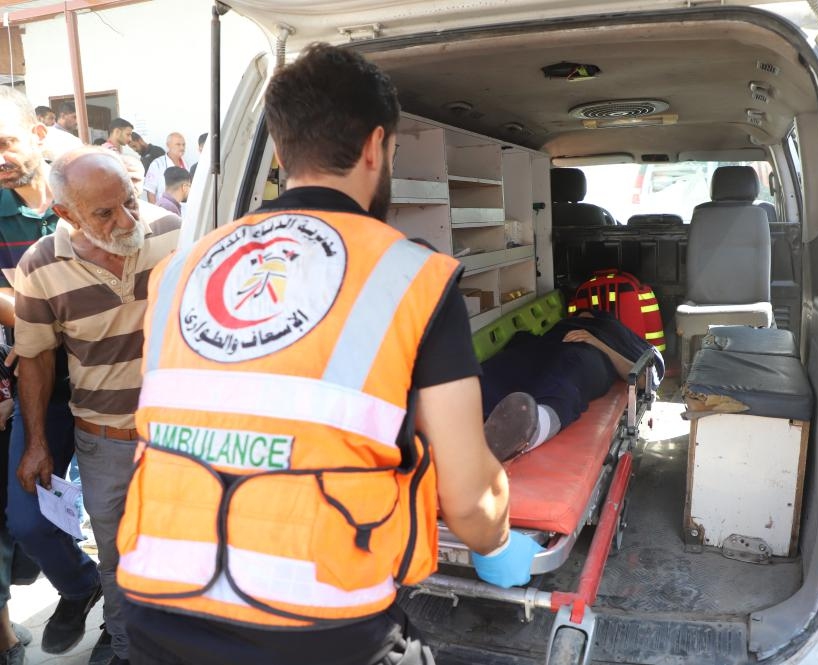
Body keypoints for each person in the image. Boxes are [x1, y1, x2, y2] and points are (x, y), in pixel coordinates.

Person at [117, 43, 538, 665]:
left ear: (281, 153)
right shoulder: (411, 275)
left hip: (157, 606)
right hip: (320, 622)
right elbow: (471, 504)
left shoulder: (181, 270)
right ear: (377, 147)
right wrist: (498, 543)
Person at [14, 146, 181, 665]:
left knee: (187, 550)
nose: (127, 219)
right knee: (118, 557)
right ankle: (130, 650)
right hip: (105, 441)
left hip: (182, 437)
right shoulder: (39, 267)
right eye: (105, 213)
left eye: (129, 201)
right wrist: (38, 442)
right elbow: (37, 358)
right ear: (65, 214)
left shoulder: (173, 232)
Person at [0, 87, 103, 665]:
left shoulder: (92, 184)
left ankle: (123, 623)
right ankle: (79, 584)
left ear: (38, 134)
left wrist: (33, 310)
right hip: (42, 385)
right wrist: (52, 317)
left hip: (119, 382)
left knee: (125, 521)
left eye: (6, 141)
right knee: (27, 519)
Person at [480, 309, 662, 461]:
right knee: (504, 365)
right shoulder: (566, 322)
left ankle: (533, 428)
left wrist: (597, 343)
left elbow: (643, 378)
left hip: (591, 352)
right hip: (545, 345)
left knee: (568, 371)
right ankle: (467, 413)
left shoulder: (617, 332)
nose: (583, 313)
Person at [142, 133, 185, 203]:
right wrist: (157, 213)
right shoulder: (157, 164)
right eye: (178, 144)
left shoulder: (185, 164)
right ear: (168, 145)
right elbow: (150, 192)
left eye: (183, 145)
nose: (182, 148)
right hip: (165, 211)